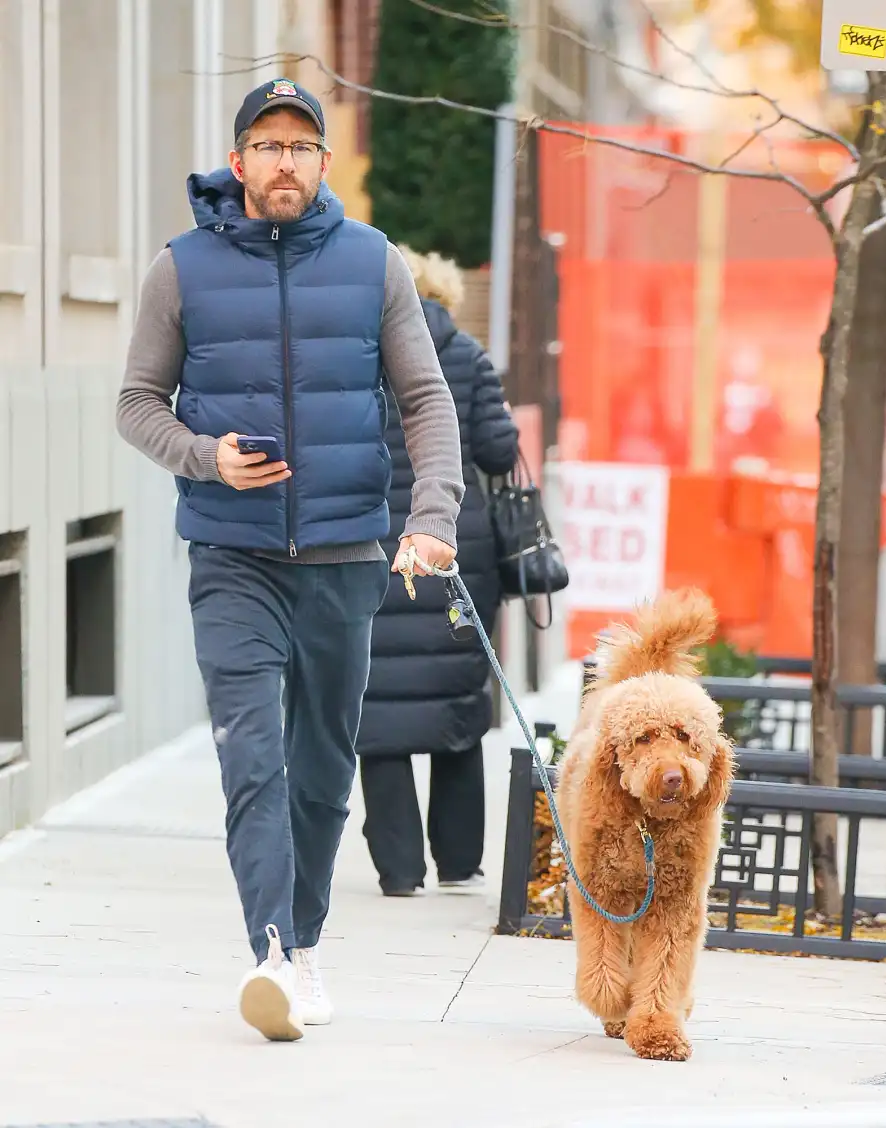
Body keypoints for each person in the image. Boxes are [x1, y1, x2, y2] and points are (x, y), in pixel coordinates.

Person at [116, 79, 463, 1043]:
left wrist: (430, 517)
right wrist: (204, 457)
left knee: (320, 768)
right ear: (238, 162)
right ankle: (269, 951)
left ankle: (304, 945)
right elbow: (137, 401)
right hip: (232, 555)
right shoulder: (179, 269)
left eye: (300, 147)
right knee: (251, 758)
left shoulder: (373, 264)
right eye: (266, 146)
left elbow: (428, 403)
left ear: (322, 163)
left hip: (348, 555)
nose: (283, 162)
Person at [355, 247, 518, 897]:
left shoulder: (362, 355)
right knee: (455, 703)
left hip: (375, 543)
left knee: (378, 703)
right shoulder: (469, 357)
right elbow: (500, 450)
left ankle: (399, 870)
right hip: (455, 548)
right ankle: (458, 861)